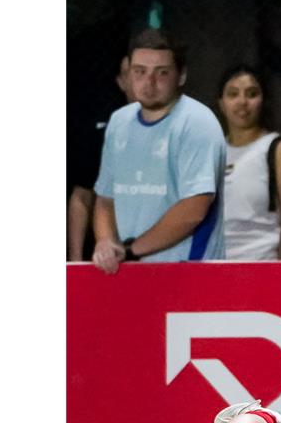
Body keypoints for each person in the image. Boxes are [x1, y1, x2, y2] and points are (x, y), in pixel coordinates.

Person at [91, 28, 227, 274]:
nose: (149, 82)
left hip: (188, 272)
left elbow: (194, 209)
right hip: (128, 271)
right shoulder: (119, 121)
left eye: (162, 72)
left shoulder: (197, 122)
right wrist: (105, 242)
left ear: (181, 75)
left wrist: (130, 250)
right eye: (139, 71)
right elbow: (105, 197)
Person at [216, 65, 281, 260]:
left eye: (252, 94)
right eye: (233, 94)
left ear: (263, 101)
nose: (242, 102)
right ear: (221, 104)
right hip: (215, 266)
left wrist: (279, 269)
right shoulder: (212, 153)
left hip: (262, 263)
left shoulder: (279, 148)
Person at [69, 55, 134, 261]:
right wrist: (76, 262)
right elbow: (83, 195)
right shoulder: (106, 129)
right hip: (111, 253)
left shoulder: (182, 125)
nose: (143, 81)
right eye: (134, 72)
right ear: (120, 82)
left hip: (166, 249)